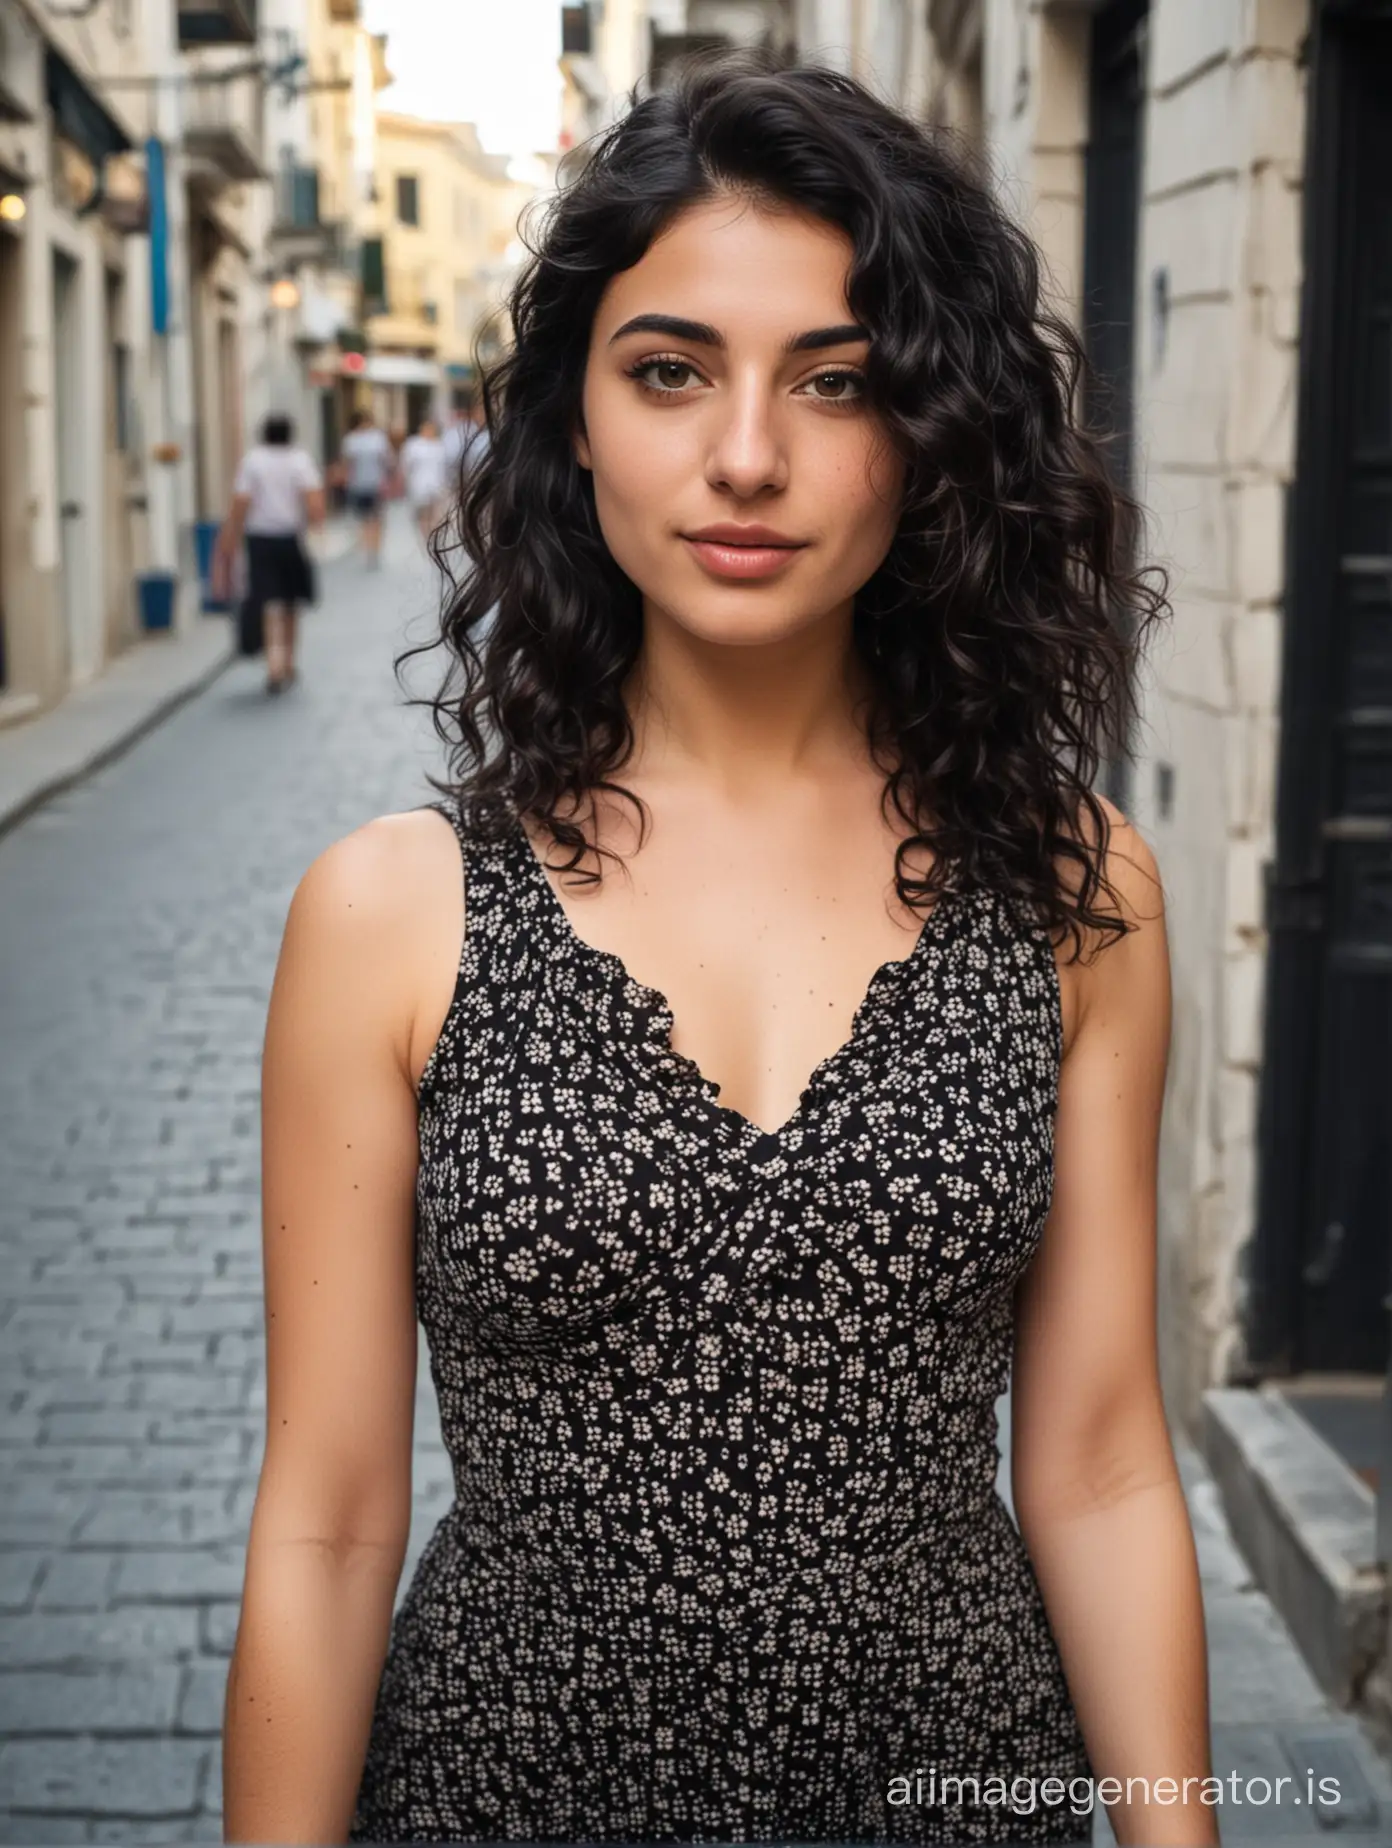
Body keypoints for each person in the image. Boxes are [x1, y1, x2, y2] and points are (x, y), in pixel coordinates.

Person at [223, 49, 1214, 1848]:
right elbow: (329, 1509)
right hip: (503, 1791)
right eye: (670, 371)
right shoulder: (389, 914)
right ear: (574, 417)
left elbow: (1098, 1462)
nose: (745, 456)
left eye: (833, 382)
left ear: (928, 433)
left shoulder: (1075, 889)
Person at [212, 413, 323, 695]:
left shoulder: (253, 462)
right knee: (290, 603)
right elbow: (314, 503)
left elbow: (240, 504)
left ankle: (272, 663)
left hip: (259, 540)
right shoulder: (300, 461)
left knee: (267, 602)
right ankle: (288, 661)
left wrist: (229, 540)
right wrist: (316, 529)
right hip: (290, 538)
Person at [338, 409, 394, 568]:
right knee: (365, 519)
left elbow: (387, 461)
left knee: (375, 519)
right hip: (359, 485)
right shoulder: (353, 439)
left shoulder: (375, 438)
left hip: (375, 484)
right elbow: (347, 463)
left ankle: (374, 550)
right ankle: (369, 550)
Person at [398, 416, 448, 545]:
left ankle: (432, 536)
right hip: (418, 484)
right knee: (423, 513)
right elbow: (405, 465)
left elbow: (444, 467)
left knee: (435, 513)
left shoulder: (439, 445)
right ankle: (425, 536)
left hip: (436, 484)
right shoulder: (413, 445)